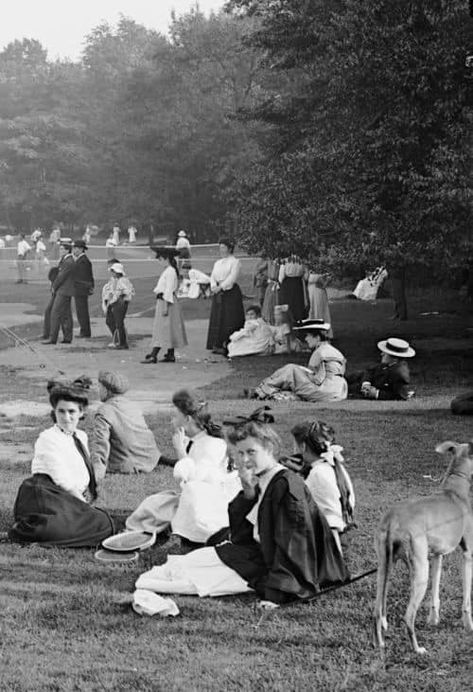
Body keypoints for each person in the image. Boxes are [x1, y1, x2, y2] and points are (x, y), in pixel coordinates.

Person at [133, 409, 349, 603]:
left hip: (273, 565)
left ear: (270, 448)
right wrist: (248, 492)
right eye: (239, 453)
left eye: (251, 452)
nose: (244, 460)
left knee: (171, 580)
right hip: (253, 552)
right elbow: (241, 534)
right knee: (179, 566)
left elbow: (294, 544)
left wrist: (279, 592)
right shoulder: (261, 478)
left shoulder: (287, 485)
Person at [9, 378, 114, 547]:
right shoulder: (48, 438)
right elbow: (62, 479)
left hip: (65, 497)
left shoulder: (81, 436)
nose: (66, 417)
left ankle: (81, 525)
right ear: (54, 412)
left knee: (102, 521)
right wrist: (84, 506)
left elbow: (79, 472)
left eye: (71, 412)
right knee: (91, 522)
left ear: (81, 412)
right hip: (43, 494)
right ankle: (30, 532)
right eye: (61, 411)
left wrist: (84, 502)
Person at [126, 389, 238, 545]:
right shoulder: (198, 440)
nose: (172, 420)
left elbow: (194, 482)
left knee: (158, 508)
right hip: (198, 496)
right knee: (153, 504)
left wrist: (180, 450)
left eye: (175, 416)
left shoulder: (211, 444)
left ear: (187, 419)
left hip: (211, 503)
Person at [290, 420, 355, 552]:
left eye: (295, 445)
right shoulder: (333, 466)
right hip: (334, 534)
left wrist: (336, 562)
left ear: (302, 447)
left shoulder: (318, 474)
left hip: (326, 543)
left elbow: (332, 520)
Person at [248, 319, 348, 402]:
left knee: (290, 369)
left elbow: (317, 379)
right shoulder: (337, 352)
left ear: (317, 337)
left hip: (324, 392)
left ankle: (262, 390)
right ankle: (270, 389)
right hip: (340, 392)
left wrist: (301, 372)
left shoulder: (319, 352)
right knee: (296, 371)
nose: (306, 339)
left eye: (308, 336)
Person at [90, 371, 161, 477]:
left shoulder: (104, 410)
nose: (98, 390)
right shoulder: (132, 405)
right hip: (150, 459)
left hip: (128, 465)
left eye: (99, 387)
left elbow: (100, 444)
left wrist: (97, 472)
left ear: (106, 390)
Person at [142, 247, 187, 364]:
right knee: (168, 328)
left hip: (167, 302)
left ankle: (154, 354)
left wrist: (166, 306)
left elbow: (168, 290)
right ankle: (170, 353)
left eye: (160, 259)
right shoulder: (168, 270)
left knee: (162, 328)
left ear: (166, 259)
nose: (159, 261)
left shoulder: (170, 271)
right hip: (164, 301)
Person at [206, 238, 245, 356]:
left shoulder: (235, 262)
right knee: (218, 317)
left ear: (229, 248)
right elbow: (213, 276)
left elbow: (232, 278)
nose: (221, 250)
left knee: (230, 318)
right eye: (220, 248)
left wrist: (221, 287)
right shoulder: (217, 263)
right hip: (219, 292)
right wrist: (213, 286)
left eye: (223, 247)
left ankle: (229, 343)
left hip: (230, 292)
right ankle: (217, 343)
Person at [347, 337, 415, 400]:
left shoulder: (400, 374)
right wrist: (366, 383)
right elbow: (370, 371)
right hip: (361, 381)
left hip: (362, 389)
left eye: (385, 354)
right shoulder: (388, 364)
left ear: (394, 358)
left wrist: (376, 393)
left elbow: (400, 395)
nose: (381, 354)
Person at [42, 238, 75, 345]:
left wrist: (54, 287)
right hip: (62, 290)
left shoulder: (68, 261)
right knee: (65, 314)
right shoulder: (64, 260)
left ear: (67, 250)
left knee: (55, 313)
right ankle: (67, 337)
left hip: (63, 290)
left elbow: (61, 277)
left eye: (62, 249)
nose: (60, 250)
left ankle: (53, 338)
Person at [101, 262, 135, 349]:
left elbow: (128, 291)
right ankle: (117, 339)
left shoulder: (123, 280)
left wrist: (120, 296)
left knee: (118, 323)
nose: (112, 273)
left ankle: (122, 343)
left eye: (113, 271)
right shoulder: (113, 280)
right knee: (110, 321)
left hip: (120, 303)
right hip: (113, 303)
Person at [72, 239, 94, 339]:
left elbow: (84, 277)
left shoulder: (83, 261)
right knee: (81, 310)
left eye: (75, 248)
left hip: (81, 289)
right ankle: (84, 330)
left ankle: (85, 331)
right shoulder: (80, 260)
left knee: (82, 311)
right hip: (80, 288)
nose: (74, 250)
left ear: (81, 249)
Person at [278, 255, 307, 322]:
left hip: (288, 283)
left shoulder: (285, 261)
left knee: (288, 302)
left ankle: (288, 320)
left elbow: (281, 276)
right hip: (298, 283)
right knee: (298, 303)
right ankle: (298, 319)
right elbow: (305, 276)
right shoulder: (301, 261)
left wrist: (281, 282)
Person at [307, 270, 333, 338]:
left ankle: (322, 332)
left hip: (319, 292)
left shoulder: (323, 270)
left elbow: (328, 279)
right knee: (311, 311)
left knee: (320, 310)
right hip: (310, 292)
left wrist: (325, 281)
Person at [261, 259, 280, 325]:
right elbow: (259, 270)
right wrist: (265, 276)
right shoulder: (269, 262)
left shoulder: (280, 262)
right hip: (272, 286)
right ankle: (270, 319)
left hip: (277, 286)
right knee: (269, 302)